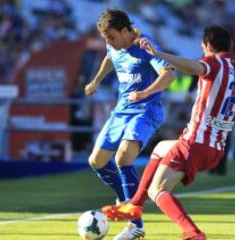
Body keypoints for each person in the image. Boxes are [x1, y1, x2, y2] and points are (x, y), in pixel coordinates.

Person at [102, 26, 235, 240]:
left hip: (194, 144)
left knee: (157, 191)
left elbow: (192, 66)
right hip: (215, 150)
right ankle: (134, 206)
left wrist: (157, 54)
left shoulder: (213, 64)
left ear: (206, 46)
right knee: (160, 147)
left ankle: (192, 233)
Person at [84, 9, 174, 240]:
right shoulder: (113, 46)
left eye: (112, 36)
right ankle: (125, 199)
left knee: (123, 158)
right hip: (121, 111)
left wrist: (145, 93)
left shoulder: (145, 45)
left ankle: (135, 225)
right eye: (105, 38)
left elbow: (168, 75)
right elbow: (109, 58)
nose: (108, 42)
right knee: (97, 161)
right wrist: (95, 80)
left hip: (146, 110)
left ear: (125, 31)